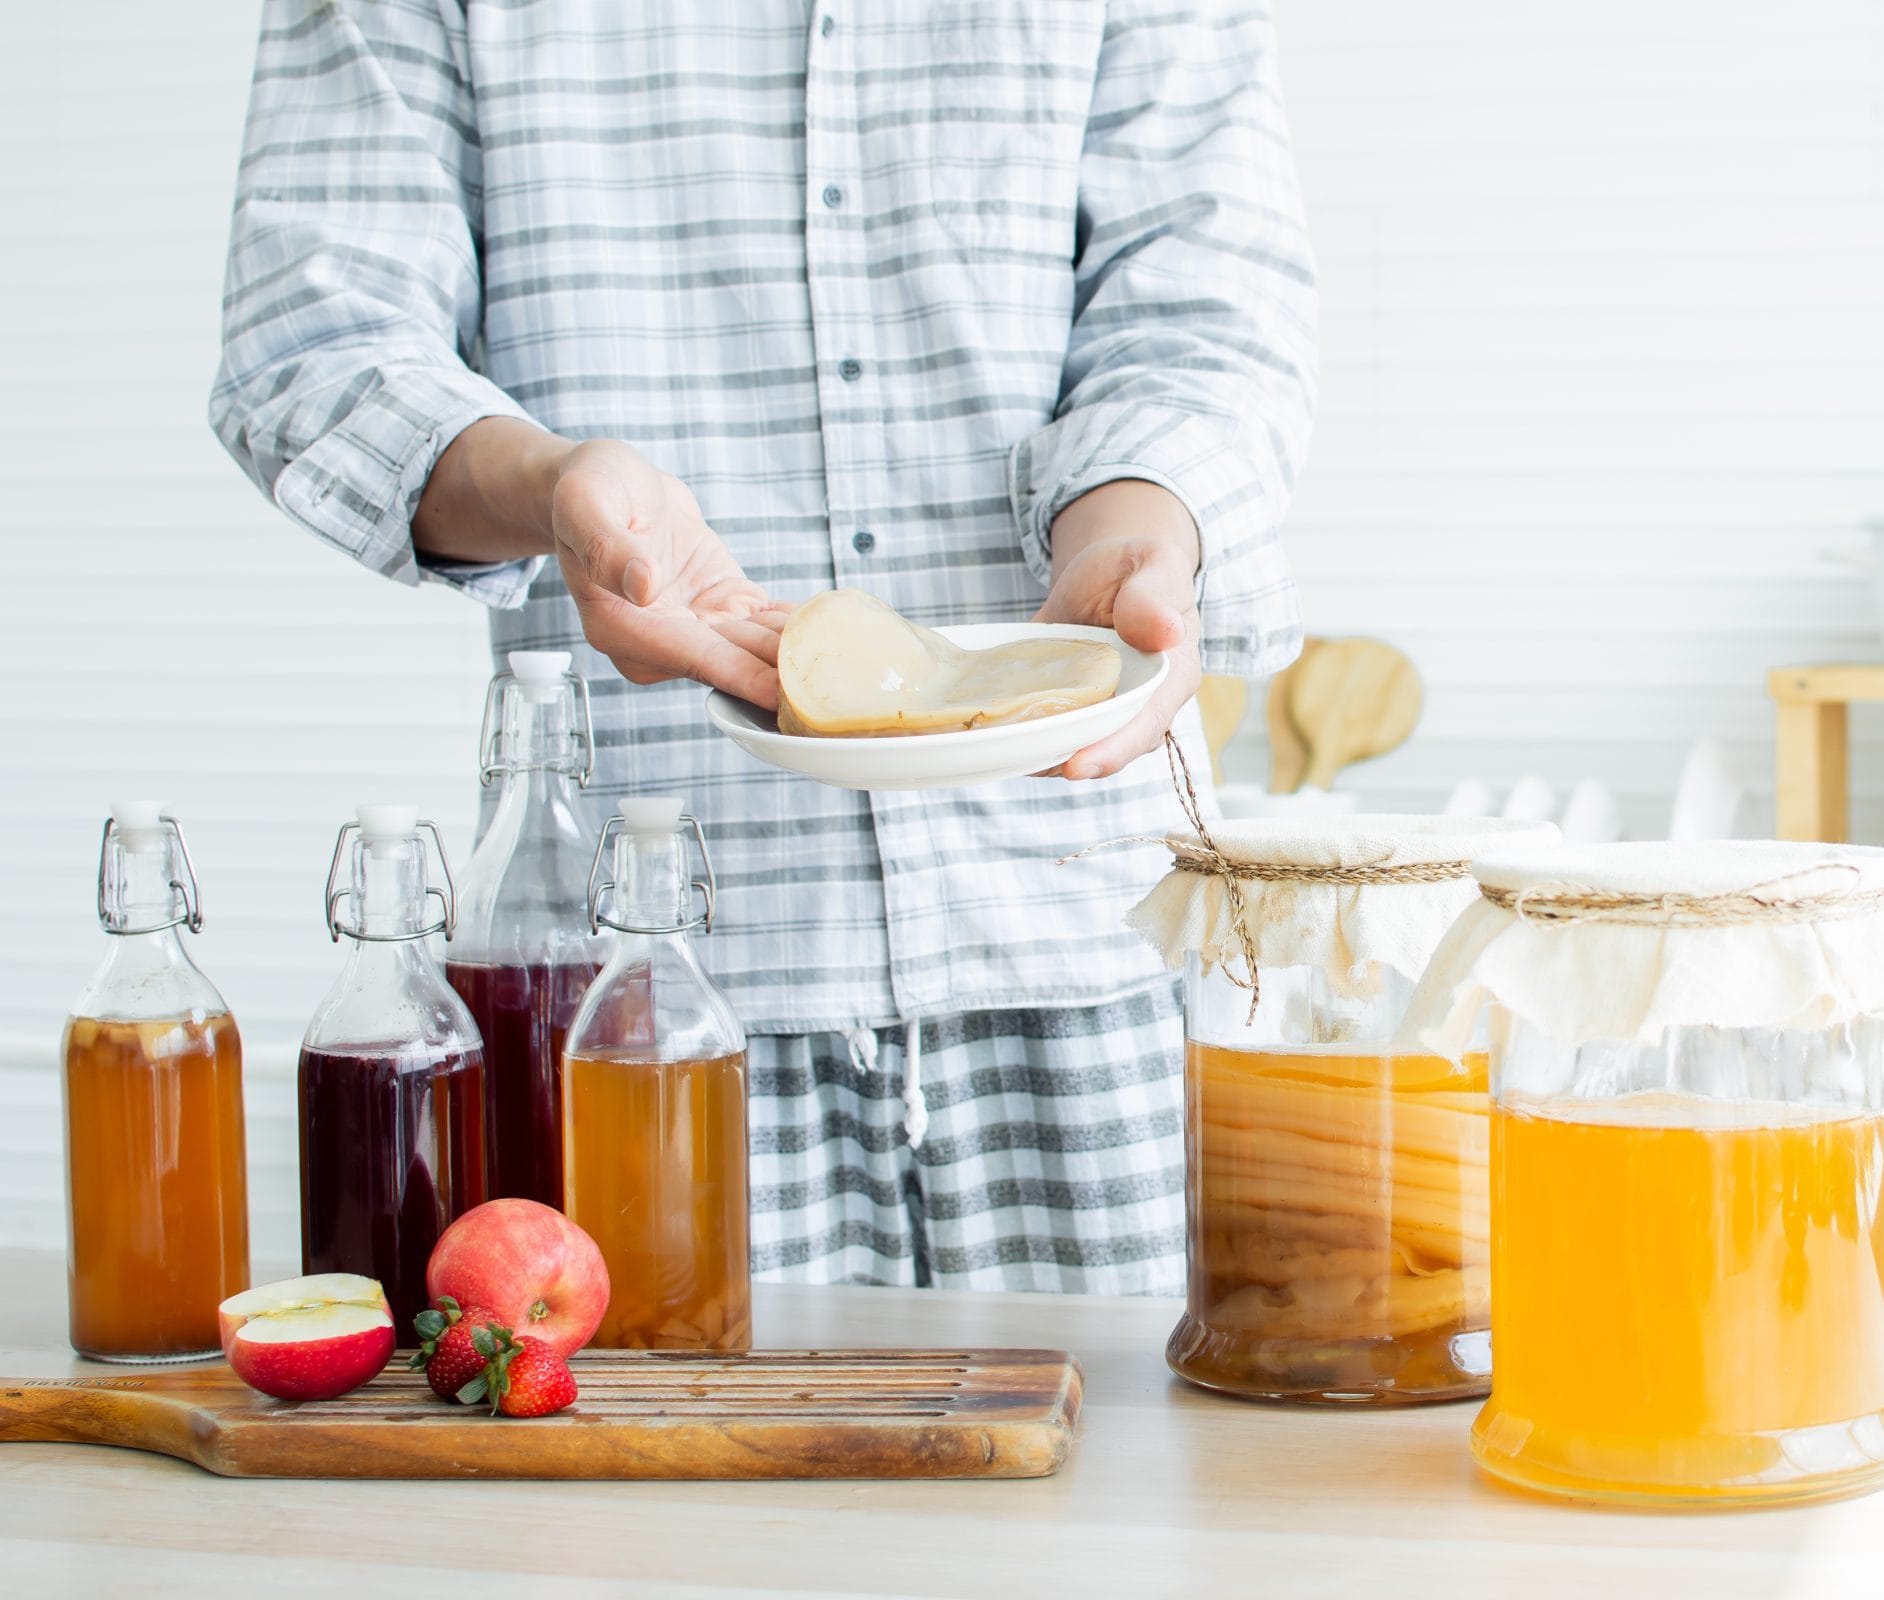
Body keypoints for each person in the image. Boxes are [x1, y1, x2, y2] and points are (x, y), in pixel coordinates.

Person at [210, 1, 1317, 1295]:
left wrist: (1138, 522)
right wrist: (552, 483)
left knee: (1154, 1485)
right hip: (652, 995)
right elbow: (316, 341)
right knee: (679, 1490)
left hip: (1080, 933)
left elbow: (1206, 303)